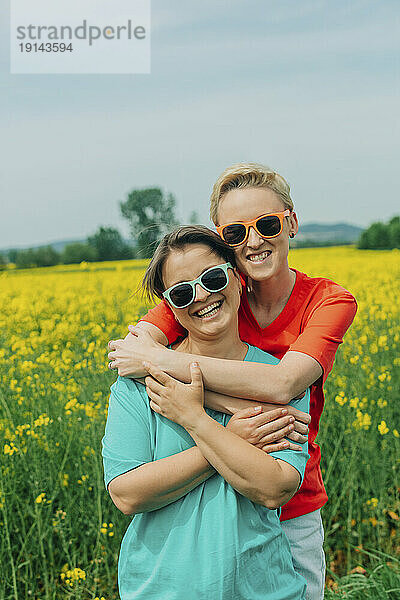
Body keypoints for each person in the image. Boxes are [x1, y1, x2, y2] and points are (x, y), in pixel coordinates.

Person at [108, 163, 357, 600]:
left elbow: (282, 386)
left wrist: (195, 407)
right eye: (236, 233)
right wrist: (229, 419)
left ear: (291, 223)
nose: (254, 241)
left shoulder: (325, 300)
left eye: (266, 224)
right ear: (223, 243)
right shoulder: (205, 289)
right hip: (189, 537)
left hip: (289, 497)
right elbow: (139, 353)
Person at [103, 226, 310, 599]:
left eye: (213, 278)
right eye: (182, 292)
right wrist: (229, 440)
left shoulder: (278, 379)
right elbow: (127, 494)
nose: (202, 296)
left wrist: (195, 419)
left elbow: (275, 487)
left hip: (264, 589)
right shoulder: (137, 382)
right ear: (170, 306)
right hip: (162, 590)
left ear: (237, 280)